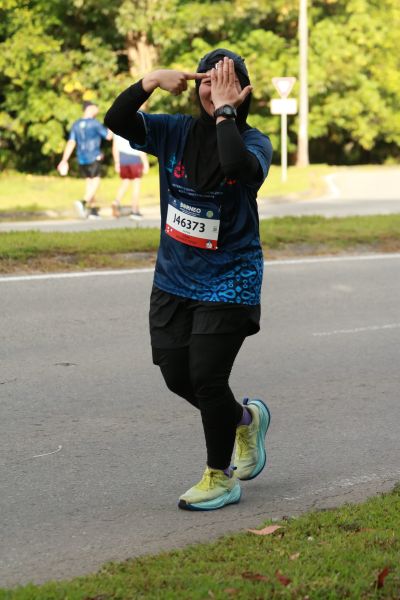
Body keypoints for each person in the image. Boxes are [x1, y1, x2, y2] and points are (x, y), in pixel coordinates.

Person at [105, 49, 273, 511]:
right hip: (174, 278)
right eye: (207, 81)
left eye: (226, 81)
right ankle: (245, 420)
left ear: (243, 92)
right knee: (176, 374)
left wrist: (225, 113)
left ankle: (220, 477)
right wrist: (150, 81)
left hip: (230, 280)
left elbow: (236, 166)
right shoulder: (173, 132)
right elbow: (117, 120)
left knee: (207, 378)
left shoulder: (255, 142)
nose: (214, 89)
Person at [57, 101, 112, 219]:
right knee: (96, 181)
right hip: (94, 156)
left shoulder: (76, 124)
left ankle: (92, 211)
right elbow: (108, 136)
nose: (97, 110)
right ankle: (83, 202)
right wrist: (113, 126)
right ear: (89, 108)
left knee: (89, 183)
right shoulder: (94, 123)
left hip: (81, 159)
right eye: (95, 107)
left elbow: (71, 142)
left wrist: (64, 160)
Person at [111, 134, 149, 219]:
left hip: (123, 159)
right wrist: (145, 162)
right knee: (136, 184)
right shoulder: (135, 128)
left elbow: (114, 148)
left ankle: (116, 201)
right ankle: (134, 210)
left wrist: (117, 162)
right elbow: (140, 147)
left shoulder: (117, 131)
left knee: (125, 182)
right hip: (134, 158)